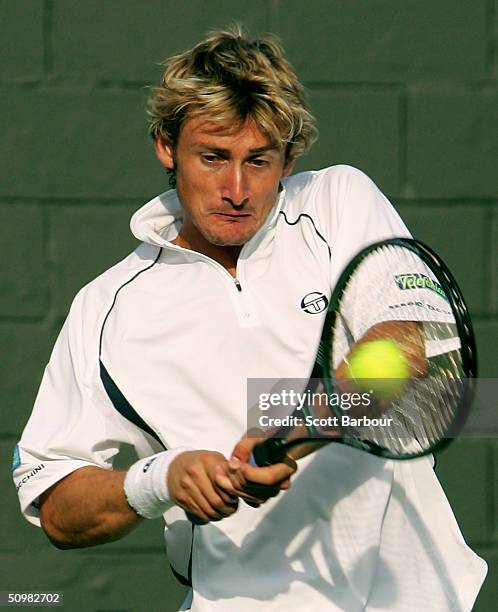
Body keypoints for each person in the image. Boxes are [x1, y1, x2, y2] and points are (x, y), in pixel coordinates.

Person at [13, 27, 486, 612]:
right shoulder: (105, 308)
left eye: (258, 161)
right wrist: (162, 480)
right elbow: (58, 506)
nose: (236, 189)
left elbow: (408, 349)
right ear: (166, 146)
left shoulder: (338, 202)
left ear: (288, 157)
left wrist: (293, 429)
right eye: (213, 158)